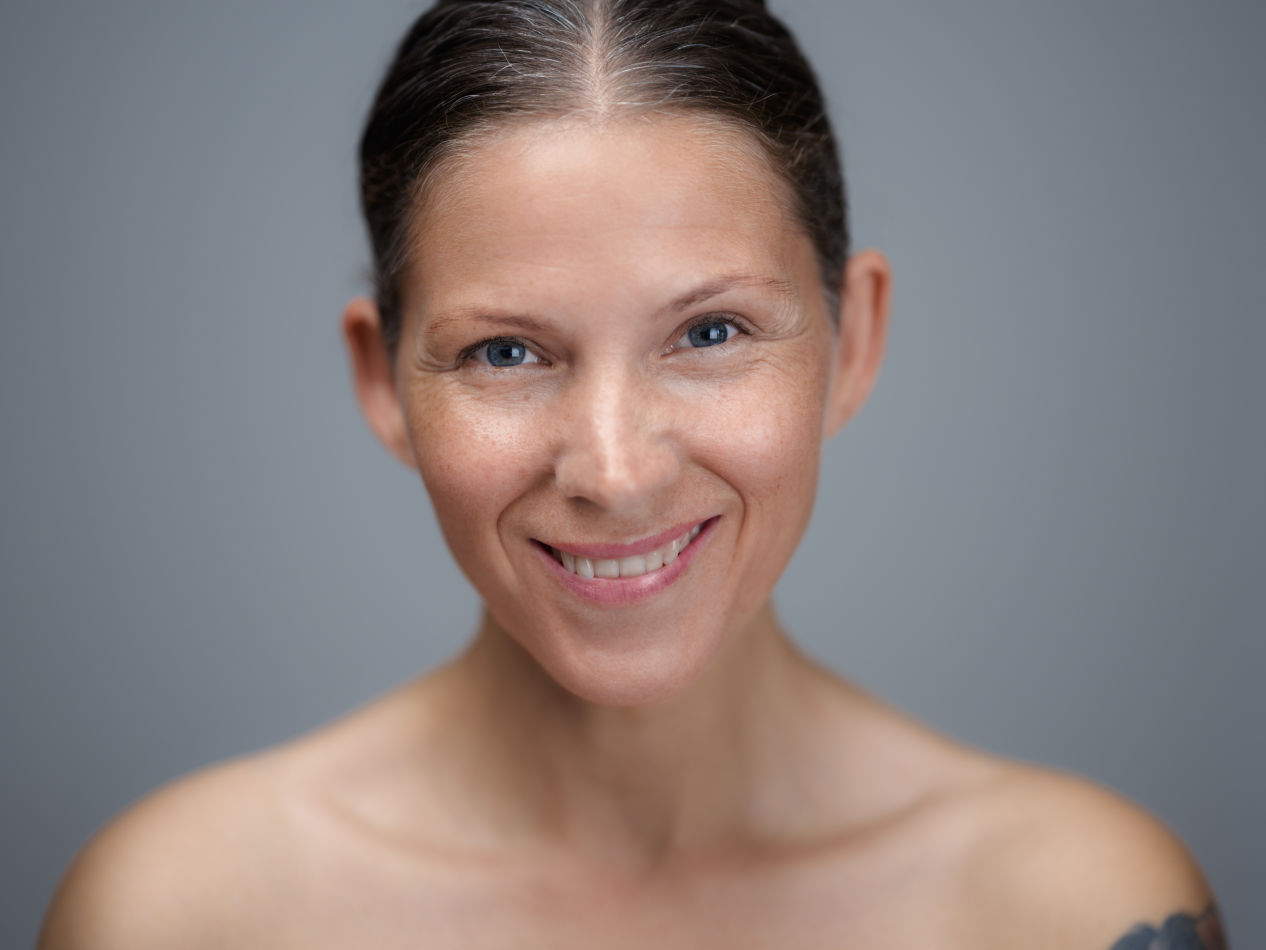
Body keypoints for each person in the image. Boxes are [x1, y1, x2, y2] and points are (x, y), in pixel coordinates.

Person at [38, 1, 1226, 947]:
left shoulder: (1071, 909)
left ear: (853, 337)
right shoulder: (182, 916)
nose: (613, 471)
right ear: (382, 379)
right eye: (506, 352)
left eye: (710, 332)